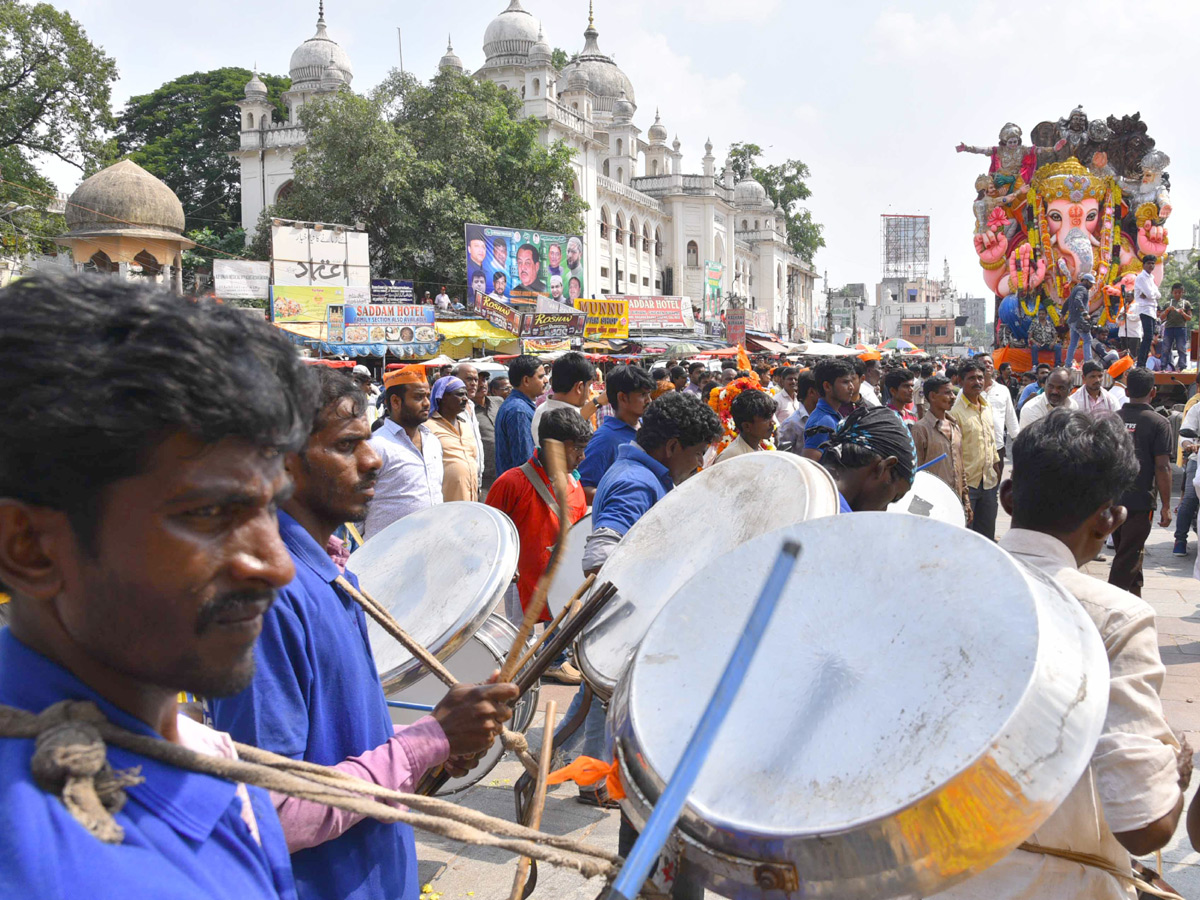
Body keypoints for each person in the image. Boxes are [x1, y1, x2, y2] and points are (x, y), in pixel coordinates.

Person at [0, 274, 306, 899]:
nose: (276, 566)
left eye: (271, 509)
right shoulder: (65, 871)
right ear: (28, 548)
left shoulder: (180, 744)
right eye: (208, 514)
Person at [211, 369, 516, 900]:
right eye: (347, 445)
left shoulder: (334, 572)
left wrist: (429, 751)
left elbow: (334, 751)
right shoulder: (268, 597)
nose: (373, 460)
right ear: (282, 463)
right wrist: (428, 741)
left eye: (368, 443)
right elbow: (274, 812)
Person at [938, 408, 1186, 900]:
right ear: (1110, 518)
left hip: (928, 878)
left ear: (1008, 497)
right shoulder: (1114, 616)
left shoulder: (933, 583)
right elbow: (1143, 827)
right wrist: (1173, 775)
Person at [565, 393, 722, 812]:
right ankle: (592, 779)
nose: (698, 465)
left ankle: (562, 765)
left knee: (592, 702)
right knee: (602, 703)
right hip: (627, 615)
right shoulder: (636, 480)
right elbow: (599, 555)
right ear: (671, 447)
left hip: (629, 614)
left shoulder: (643, 472)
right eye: (694, 454)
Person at [485, 408, 589, 675]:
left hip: (560, 578)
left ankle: (555, 660)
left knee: (561, 624)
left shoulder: (574, 485)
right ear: (553, 448)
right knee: (520, 645)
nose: (582, 457)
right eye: (576, 449)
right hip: (522, 582)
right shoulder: (511, 482)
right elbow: (490, 533)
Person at [1109, 367, 1172, 596]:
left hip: (1112, 500)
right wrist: (1165, 506)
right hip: (1140, 502)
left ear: (1126, 391)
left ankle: (1135, 600)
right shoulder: (1158, 423)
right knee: (1128, 555)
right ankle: (1109, 605)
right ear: (1153, 392)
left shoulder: (1113, 419)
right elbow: (1163, 466)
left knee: (1127, 551)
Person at [364, 366, 442, 537]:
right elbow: (356, 508)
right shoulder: (376, 446)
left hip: (429, 548)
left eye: (427, 396)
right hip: (384, 555)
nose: (427, 403)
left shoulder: (433, 442)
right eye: (418, 397)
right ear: (396, 402)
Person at [576, 364, 656, 500]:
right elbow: (582, 489)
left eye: (649, 394)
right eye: (643, 395)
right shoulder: (606, 439)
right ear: (623, 398)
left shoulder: (647, 427)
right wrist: (628, 497)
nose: (649, 400)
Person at [818, 406, 915, 512]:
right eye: (894, 498)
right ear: (884, 467)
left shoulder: (804, 478)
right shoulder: (839, 522)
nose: (885, 510)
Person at [951, 359, 1001, 539]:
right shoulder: (954, 413)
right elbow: (954, 453)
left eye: (980, 377)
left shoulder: (986, 408)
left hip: (989, 483)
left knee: (987, 537)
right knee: (966, 537)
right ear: (960, 381)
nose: (977, 382)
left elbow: (991, 442)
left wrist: (996, 468)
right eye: (971, 378)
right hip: (968, 486)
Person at [910, 375, 970, 520]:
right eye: (948, 393)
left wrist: (966, 500)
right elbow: (915, 473)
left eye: (953, 393)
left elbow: (960, 467)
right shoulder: (921, 429)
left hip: (955, 502)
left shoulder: (955, 426)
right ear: (932, 396)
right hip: (931, 505)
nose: (953, 397)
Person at [425, 376, 479, 502]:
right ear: (442, 397)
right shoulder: (428, 428)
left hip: (471, 501)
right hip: (445, 505)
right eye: (459, 394)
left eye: (466, 394)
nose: (465, 399)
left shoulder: (465, 425)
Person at [530, 352, 597, 448]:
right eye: (589, 385)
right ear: (579, 387)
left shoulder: (541, 410)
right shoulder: (569, 419)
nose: (589, 391)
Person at [493, 355, 546, 477]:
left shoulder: (519, 405)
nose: (545, 380)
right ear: (526, 380)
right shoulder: (519, 411)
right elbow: (525, 462)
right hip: (521, 490)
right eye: (541, 377)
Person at [802, 358, 855, 461]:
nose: (851, 387)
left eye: (851, 382)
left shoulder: (832, 415)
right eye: (845, 382)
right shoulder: (823, 422)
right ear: (827, 386)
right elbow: (810, 464)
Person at [716, 389, 776, 464]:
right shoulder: (730, 457)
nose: (773, 422)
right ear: (747, 426)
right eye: (766, 418)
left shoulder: (758, 449)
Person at [980, 355, 1019, 465]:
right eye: (984, 362)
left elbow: (1010, 416)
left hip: (997, 447)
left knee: (996, 481)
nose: (987, 365)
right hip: (974, 449)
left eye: (990, 362)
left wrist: (1017, 440)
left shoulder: (1002, 390)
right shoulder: (967, 391)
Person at [452, 363, 484, 490]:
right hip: (460, 482)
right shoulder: (450, 409)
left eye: (476, 380)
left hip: (477, 478)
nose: (474, 383)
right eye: (469, 379)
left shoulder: (471, 405)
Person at [1175, 399, 1200, 557]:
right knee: (1190, 497)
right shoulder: (1197, 408)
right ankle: (1180, 539)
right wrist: (1189, 445)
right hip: (1197, 459)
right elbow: (1185, 433)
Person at [777, 374, 820, 452]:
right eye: (822, 391)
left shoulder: (823, 417)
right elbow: (784, 456)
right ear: (811, 392)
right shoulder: (792, 423)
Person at [1133, 255, 1161, 367]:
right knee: (1148, 337)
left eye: (1153, 263)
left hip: (1152, 310)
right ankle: (1141, 363)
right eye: (1149, 263)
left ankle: (1142, 362)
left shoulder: (1151, 278)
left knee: (1149, 338)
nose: (1151, 265)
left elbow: (1158, 294)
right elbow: (1151, 294)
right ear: (1143, 265)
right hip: (1145, 310)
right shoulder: (1141, 277)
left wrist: (1150, 294)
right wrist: (1150, 294)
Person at [1064, 272, 1095, 365]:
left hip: (1072, 320)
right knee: (1088, 339)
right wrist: (1085, 313)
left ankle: (1068, 364)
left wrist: (1062, 314)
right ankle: (1089, 362)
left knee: (1073, 343)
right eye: (1090, 283)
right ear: (1085, 281)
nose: (1091, 285)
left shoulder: (1075, 289)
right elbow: (1078, 299)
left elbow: (1067, 302)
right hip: (1079, 320)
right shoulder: (1082, 289)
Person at [1160, 282, 1192, 372]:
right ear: (1172, 293)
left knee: (1181, 348)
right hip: (1169, 328)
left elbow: (1189, 318)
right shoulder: (1168, 303)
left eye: (1179, 292)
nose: (1177, 294)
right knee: (1166, 348)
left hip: (1181, 328)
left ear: (1183, 292)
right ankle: (1164, 366)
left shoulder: (1186, 303)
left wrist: (1183, 313)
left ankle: (1182, 367)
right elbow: (1161, 317)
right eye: (1175, 292)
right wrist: (1167, 310)